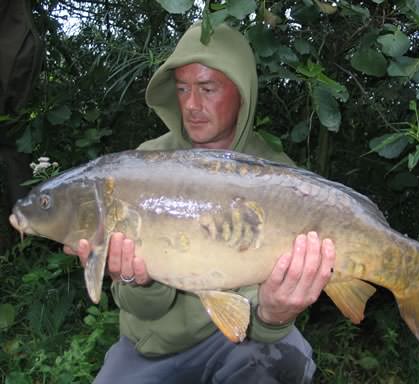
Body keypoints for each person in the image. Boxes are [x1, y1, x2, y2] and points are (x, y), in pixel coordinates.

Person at [65, 22, 335, 383]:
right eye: (182, 89)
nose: (192, 104)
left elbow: (259, 323)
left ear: (242, 92)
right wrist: (137, 281)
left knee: (289, 358)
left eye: (207, 88)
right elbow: (143, 310)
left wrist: (275, 315)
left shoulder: (282, 182)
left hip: (243, 344)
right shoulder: (141, 169)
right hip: (154, 348)